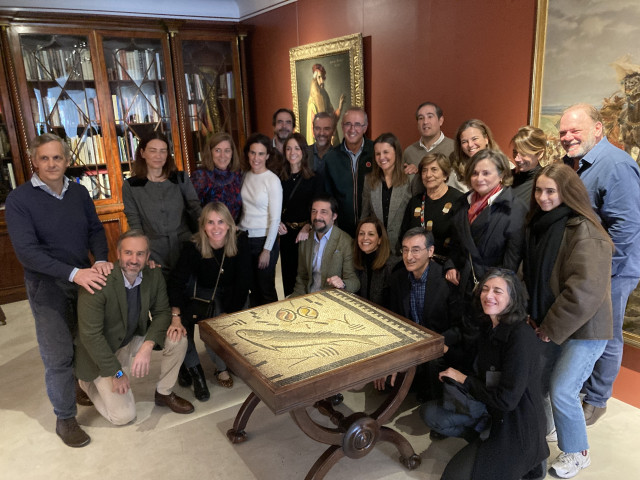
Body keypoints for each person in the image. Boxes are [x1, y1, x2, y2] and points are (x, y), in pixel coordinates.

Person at [5, 133, 112, 448]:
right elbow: (27, 253)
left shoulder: (78, 193)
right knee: (58, 354)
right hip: (47, 287)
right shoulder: (19, 200)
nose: (51, 164)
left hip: (83, 280)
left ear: (67, 161)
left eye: (57, 158)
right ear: (34, 161)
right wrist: (75, 273)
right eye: (44, 158)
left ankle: (79, 386)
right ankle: (65, 418)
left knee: (84, 341)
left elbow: (94, 229)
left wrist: (102, 258)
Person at [523, 163, 614, 478]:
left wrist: (550, 327)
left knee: (562, 389)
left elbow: (584, 292)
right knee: (543, 382)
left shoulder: (586, 231)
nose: (544, 197)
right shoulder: (543, 224)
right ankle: (550, 427)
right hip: (551, 321)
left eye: (551, 191)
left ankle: (577, 451)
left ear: (568, 192)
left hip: (585, 329)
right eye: (539, 190)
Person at [559, 103, 640, 426]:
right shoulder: (572, 164)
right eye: (563, 132)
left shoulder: (616, 166)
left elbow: (626, 228)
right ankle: (578, 389)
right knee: (583, 331)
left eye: (574, 131)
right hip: (583, 268)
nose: (567, 137)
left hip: (611, 271)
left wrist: (600, 273)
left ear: (598, 128)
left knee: (605, 335)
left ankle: (596, 399)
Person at [438, 268, 549, 480]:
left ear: (512, 298)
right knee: (433, 416)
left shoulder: (520, 337)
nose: (488, 295)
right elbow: (474, 363)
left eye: (498, 291)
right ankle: (486, 443)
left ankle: (534, 461)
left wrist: (465, 380)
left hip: (517, 426)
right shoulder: (490, 325)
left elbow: (506, 401)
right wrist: (445, 351)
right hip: (492, 413)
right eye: (485, 289)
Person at [75, 230, 194, 426]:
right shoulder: (97, 281)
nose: (134, 259)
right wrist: (118, 373)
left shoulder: (153, 275)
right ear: (118, 254)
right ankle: (86, 382)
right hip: (100, 351)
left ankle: (164, 393)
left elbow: (162, 312)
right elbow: (90, 337)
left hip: (131, 337)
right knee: (123, 417)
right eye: (128, 253)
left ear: (148, 257)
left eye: (140, 254)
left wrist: (147, 346)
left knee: (177, 338)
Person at [444, 149, 527, 366]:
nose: (479, 178)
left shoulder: (514, 208)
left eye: (486, 173)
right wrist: (450, 264)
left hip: (490, 294)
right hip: (462, 285)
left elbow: (512, 260)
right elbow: (455, 244)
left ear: (501, 174)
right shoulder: (463, 203)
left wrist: (490, 288)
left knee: (484, 351)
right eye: (474, 173)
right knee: (460, 342)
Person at [168, 202, 251, 401]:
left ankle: (233, 361)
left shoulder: (240, 241)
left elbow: (244, 280)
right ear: (203, 226)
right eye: (210, 222)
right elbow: (176, 282)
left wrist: (229, 312)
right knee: (208, 329)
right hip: (205, 294)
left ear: (229, 224)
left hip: (233, 292)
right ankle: (217, 369)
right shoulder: (193, 247)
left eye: (221, 222)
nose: (216, 228)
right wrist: (176, 315)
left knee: (235, 325)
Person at [382, 228, 462, 401]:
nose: (409, 256)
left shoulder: (446, 282)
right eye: (405, 249)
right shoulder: (398, 278)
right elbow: (394, 321)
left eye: (416, 250)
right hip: (411, 345)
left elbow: (458, 327)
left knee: (428, 394)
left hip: (438, 345)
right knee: (385, 382)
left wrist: (432, 344)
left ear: (431, 251)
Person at [122, 132, 201, 276]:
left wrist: (203, 243)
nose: (158, 156)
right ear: (142, 153)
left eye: (163, 151)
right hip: (153, 253)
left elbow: (196, 211)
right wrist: (142, 255)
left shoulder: (180, 179)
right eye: (153, 151)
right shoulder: (131, 186)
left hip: (186, 246)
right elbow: (135, 224)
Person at [238, 133, 283, 306]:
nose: (256, 158)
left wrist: (267, 250)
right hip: (244, 239)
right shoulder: (245, 175)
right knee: (252, 289)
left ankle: (276, 330)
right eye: (252, 153)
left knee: (267, 290)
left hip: (263, 241)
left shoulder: (272, 180)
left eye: (261, 153)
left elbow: (275, 218)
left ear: (268, 156)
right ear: (247, 154)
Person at [278, 133, 324, 297]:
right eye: (288, 148)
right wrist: (277, 223)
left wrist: (308, 227)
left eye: (296, 148)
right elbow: (273, 206)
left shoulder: (314, 178)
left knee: (308, 279)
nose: (292, 152)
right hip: (285, 235)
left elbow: (318, 208)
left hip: (306, 235)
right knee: (289, 281)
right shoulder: (278, 178)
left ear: (304, 151)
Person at [292, 194, 359, 296]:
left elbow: (354, 282)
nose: (317, 216)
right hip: (308, 298)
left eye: (324, 212)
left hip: (333, 301)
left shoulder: (346, 242)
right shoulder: (305, 239)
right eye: (314, 211)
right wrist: (295, 301)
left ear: (334, 216)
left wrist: (343, 284)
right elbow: (302, 277)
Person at [401, 152, 463, 259]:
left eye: (434, 169)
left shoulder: (458, 200)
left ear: (445, 175)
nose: (428, 175)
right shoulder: (416, 201)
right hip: (416, 262)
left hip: (447, 265)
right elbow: (404, 234)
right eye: (424, 170)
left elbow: (462, 240)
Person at [323, 106, 374, 237]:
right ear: (342, 126)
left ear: (365, 128)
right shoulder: (331, 158)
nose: (352, 129)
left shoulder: (376, 153)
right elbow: (327, 197)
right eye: (348, 124)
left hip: (373, 229)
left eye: (357, 124)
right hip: (342, 232)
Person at [360, 132, 412, 258]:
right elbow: (365, 216)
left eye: (386, 152)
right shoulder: (369, 180)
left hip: (403, 249)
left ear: (396, 152)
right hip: (376, 249)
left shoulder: (410, 178)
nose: (381, 157)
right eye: (377, 153)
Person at [402, 102, 455, 194]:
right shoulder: (409, 152)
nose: (425, 122)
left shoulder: (454, 148)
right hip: (417, 205)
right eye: (421, 118)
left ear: (440, 120)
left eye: (430, 116)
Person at [190, 132, 243, 221]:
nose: (222, 155)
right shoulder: (200, 176)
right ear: (210, 152)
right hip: (210, 231)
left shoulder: (237, 175)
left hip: (233, 231)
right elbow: (191, 208)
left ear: (232, 153)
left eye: (227, 150)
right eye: (217, 150)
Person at [352, 217, 396, 307]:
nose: (365, 238)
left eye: (371, 234)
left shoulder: (391, 266)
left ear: (380, 239)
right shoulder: (357, 261)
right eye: (361, 234)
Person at [450, 119, 499, 193]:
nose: (470, 145)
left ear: (486, 139)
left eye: (474, 139)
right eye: (464, 142)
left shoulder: (504, 165)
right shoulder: (455, 172)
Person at [305, 63, 345, 147]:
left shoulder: (325, 95)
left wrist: (340, 107)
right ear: (315, 79)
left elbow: (331, 117)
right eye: (319, 77)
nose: (322, 81)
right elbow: (314, 128)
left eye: (323, 77)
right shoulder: (313, 102)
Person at [510, 125, 548, 205]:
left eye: (523, 153)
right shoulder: (508, 177)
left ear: (540, 154)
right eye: (515, 152)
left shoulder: (546, 182)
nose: (516, 159)